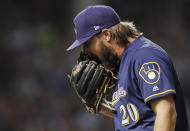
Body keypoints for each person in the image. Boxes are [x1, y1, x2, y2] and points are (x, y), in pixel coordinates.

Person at [67, 5, 189, 131]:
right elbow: (139, 117)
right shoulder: (122, 62)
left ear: (107, 35)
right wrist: (103, 107)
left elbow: (167, 112)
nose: (85, 51)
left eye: (87, 43)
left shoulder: (144, 56)